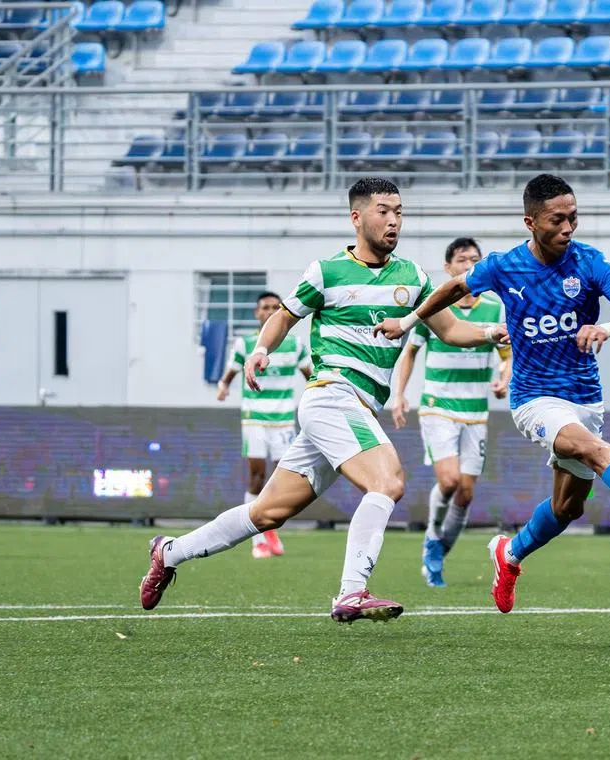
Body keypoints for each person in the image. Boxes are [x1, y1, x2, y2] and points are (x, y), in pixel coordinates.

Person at [139, 177, 508, 624]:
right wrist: (260, 350)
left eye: (399, 212)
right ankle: (352, 591)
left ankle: (170, 552)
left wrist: (491, 332)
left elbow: (450, 330)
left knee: (269, 511)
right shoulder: (326, 272)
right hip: (333, 395)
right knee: (388, 481)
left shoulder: (413, 278)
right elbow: (284, 316)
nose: (394, 221)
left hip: (354, 408)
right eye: (383, 211)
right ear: (357, 218)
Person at [374, 174, 610, 614]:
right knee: (597, 451)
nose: (568, 228)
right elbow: (455, 287)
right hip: (534, 398)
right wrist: (406, 322)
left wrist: (607, 326)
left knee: (567, 507)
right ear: (531, 222)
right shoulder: (504, 265)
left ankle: (510, 553)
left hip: (585, 399)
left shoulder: (591, 263)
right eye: (558, 220)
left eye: (573, 218)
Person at [390, 237, 512, 588]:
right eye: (462, 260)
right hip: (438, 406)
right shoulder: (438, 306)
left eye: (475, 259)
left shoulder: (494, 307)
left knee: (467, 493)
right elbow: (410, 351)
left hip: (476, 410)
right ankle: (431, 537)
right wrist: (399, 395)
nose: (469, 264)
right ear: (449, 268)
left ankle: (440, 552)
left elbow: (507, 356)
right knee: (449, 481)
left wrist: (504, 380)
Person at [216, 291, 312, 559]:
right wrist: (223, 386)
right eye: (264, 308)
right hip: (255, 419)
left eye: (274, 307)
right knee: (257, 477)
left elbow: (312, 377)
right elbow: (229, 374)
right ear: (257, 313)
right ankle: (258, 540)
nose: (269, 311)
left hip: (283, 422)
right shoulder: (244, 344)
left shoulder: (295, 345)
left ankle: (269, 529)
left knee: (282, 481)